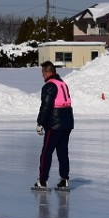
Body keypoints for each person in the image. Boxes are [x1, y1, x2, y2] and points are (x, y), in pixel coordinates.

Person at [33, 61, 75, 191]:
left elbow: (46, 107)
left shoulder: (49, 86)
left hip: (55, 123)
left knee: (46, 152)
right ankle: (64, 179)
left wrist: (40, 122)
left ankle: (43, 180)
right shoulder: (62, 83)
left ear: (47, 72)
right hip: (67, 122)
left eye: (42, 73)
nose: (42, 75)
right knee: (62, 152)